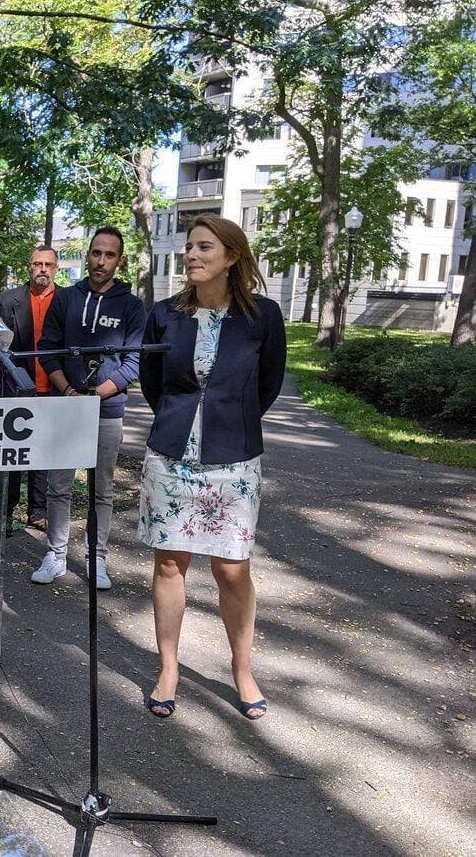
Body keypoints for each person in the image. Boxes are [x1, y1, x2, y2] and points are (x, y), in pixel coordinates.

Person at [136, 216, 286, 721]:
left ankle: (242, 669)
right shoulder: (164, 314)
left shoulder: (262, 316)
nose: (192, 255)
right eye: (189, 248)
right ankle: (169, 668)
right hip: (171, 455)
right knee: (170, 564)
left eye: (204, 247)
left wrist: (227, 423)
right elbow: (153, 383)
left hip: (234, 459)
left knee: (231, 569)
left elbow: (267, 385)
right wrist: (182, 423)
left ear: (232, 256)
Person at [35, 228, 145, 588]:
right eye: (96, 253)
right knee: (58, 485)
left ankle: (97, 558)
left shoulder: (131, 306)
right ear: (87, 255)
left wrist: (97, 395)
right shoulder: (66, 298)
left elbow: (134, 362)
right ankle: (55, 554)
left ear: (120, 260)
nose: (101, 261)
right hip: (65, 405)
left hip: (107, 410)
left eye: (109, 255)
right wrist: (67, 390)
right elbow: (47, 348)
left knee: (103, 489)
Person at [0, 245, 63, 531]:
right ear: (30, 267)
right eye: (37, 264)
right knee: (11, 456)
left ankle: (37, 512)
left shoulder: (67, 300)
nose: (43, 269)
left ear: (56, 268)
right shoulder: (8, 300)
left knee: (43, 454)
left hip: (54, 387)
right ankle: (3, 514)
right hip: (17, 388)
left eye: (48, 264)